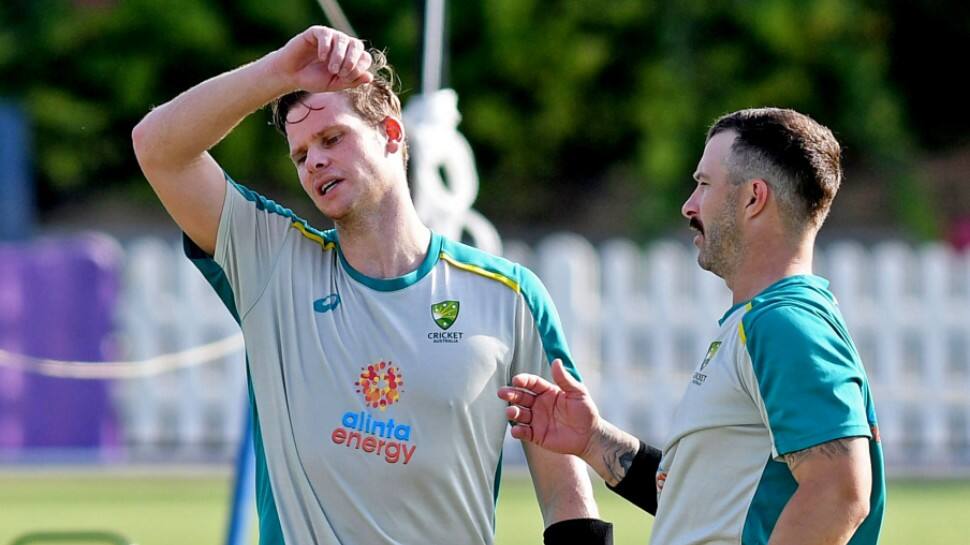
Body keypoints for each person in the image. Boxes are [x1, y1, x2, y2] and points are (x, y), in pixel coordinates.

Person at [132, 25, 610, 545]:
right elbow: (158, 148)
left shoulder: (509, 296)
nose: (314, 160)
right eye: (300, 155)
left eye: (332, 138)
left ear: (391, 133)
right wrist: (277, 72)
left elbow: (565, 492)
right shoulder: (272, 262)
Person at [499, 108, 886, 545]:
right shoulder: (757, 322)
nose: (689, 204)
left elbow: (840, 493)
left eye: (704, 184)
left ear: (753, 198)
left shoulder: (783, 324)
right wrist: (593, 440)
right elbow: (704, 510)